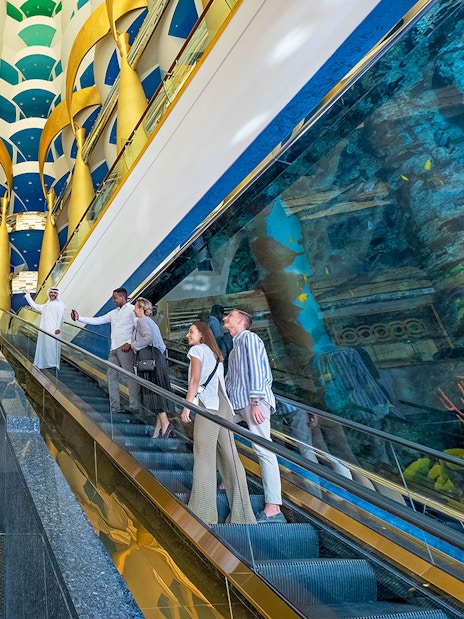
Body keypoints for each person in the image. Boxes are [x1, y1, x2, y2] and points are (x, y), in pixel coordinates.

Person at [181, 321, 256, 525]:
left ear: (202, 334)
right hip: (223, 405)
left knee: (204, 456)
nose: (188, 335)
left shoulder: (197, 350)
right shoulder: (216, 354)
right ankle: (243, 516)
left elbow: (194, 380)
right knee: (230, 457)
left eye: (192, 331)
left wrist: (187, 406)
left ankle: (203, 513)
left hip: (209, 405)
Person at [223, 308, 286, 523]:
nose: (224, 319)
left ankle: (273, 507)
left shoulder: (249, 338)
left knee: (263, 449)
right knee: (217, 431)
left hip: (252, 403)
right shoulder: (234, 347)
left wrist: (256, 402)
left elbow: (258, 370)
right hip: (239, 405)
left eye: (229, 316)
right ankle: (227, 480)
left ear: (240, 321)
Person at [71, 288, 137, 414]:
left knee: (130, 377)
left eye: (115, 298)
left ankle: (134, 406)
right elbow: (98, 320)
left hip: (125, 348)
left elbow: (138, 327)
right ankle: (115, 407)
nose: (113, 300)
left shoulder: (132, 310)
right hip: (114, 349)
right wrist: (79, 318)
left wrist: (129, 342)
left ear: (123, 297)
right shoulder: (113, 313)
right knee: (111, 376)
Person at [131, 298, 175, 438]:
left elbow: (148, 338)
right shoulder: (151, 322)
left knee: (153, 393)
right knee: (157, 392)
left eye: (136, 308)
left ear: (142, 309)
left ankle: (166, 423)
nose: (134, 310)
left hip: (151, 361)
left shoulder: (142, 321)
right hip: (158, 360)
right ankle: (157, 432)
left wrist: (134, 346)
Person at [24, 287, 66, 369]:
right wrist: (28, 295)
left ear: (57, 294)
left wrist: (58, 328)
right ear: (49, 294)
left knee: (53, 347)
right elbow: (34, 306)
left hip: (54, 331)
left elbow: (61, 317)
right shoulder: (46, 305)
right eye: (51, 292)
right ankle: (44, 363)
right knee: (44, 346)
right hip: (44, 330)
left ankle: (53, 364)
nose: (53, 294)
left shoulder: (60, 305)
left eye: (55, 293)